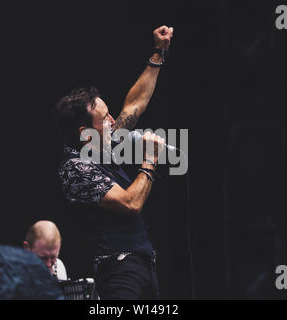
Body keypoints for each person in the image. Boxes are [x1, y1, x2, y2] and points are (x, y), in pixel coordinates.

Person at [54, 25, 173, 299]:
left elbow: (134, 105)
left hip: (143, 265)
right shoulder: (75, 167)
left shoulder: (101, 144)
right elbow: (131, 204)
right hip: (118, 269)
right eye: (105, 118)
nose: (112, 122)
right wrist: (149, 160)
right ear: (85, 133)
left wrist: (158, 53)